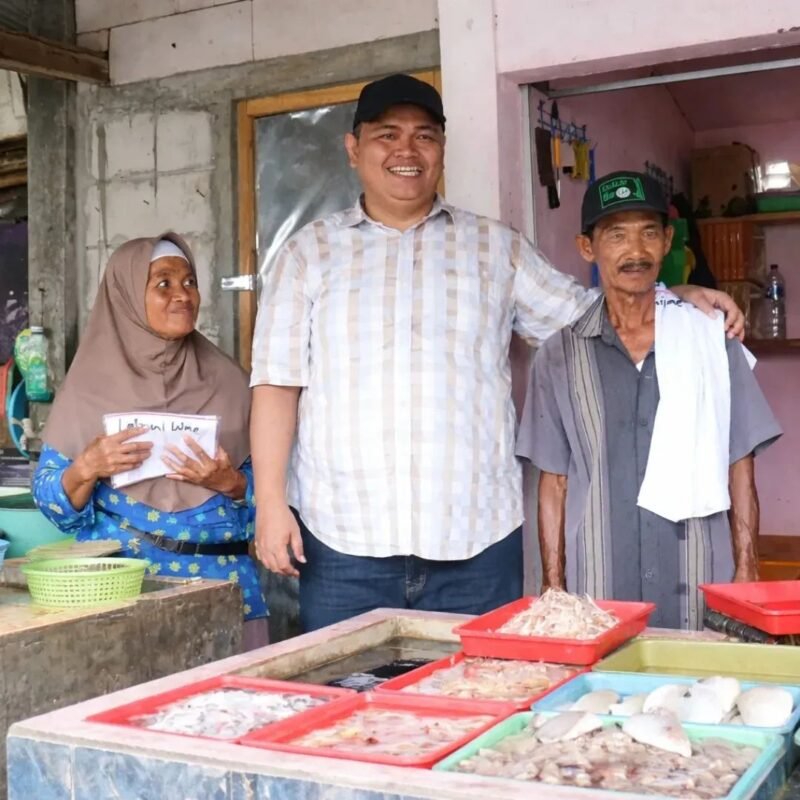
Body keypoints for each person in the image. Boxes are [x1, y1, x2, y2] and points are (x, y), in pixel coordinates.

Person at [249, 74, 745, 632]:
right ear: (353, 148)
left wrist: (671, 295)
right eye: (387, 135)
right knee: (349, 706)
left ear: (441, 148)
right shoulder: (307, 254)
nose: (406, 151)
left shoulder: (494, 246)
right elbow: (276, 383)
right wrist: (270, 504)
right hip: (342, 538)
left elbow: (586, 313)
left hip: (476, 540)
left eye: (424, 136)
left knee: (480, 703)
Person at [516, 171, 782, 629]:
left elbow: (739, 462)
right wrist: (553, 587)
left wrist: (747, 567)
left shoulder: (710, 341)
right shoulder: (559, 355)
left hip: (697, 574)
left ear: (665, 243)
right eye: (616, 235)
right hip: (596, 587)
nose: (634, 251)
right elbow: (553, 483)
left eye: (647, 233)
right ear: (588, 248)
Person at [33, 234, 268, 648]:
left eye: (189, 282)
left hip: (224, 588)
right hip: (120, 596)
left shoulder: (233, 384)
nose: (183, 295)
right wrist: (87, 468)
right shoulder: (88, 389)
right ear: (125, 294)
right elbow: (55, 509)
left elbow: (279, 501)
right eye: (164, 283)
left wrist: (231, 484)